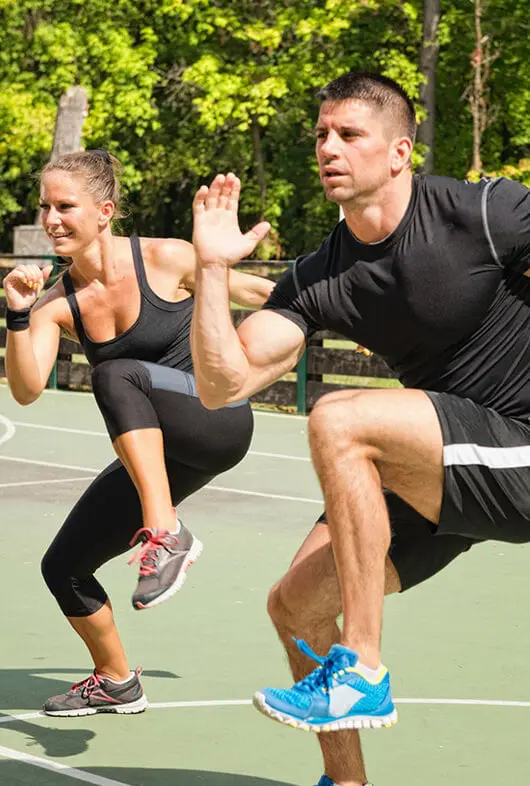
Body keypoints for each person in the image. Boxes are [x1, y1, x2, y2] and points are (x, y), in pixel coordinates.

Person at [189, 70, 530, 786]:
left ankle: (363, 667)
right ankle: (347, 783)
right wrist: (213, 270)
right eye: (320, 135)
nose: (329, 148)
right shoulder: (321, 278)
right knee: (295, 605)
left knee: (341, 417)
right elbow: (224, 382)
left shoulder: (486, 212)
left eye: (349, 134)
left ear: (401, 151)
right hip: (448, 458)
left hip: (520, 445)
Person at [4, 149, 274, 717]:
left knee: (115, 374)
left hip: (218, 419)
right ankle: (116, 679)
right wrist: (19, 315)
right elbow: (26, 389)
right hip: (158, 456)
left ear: (104, 211)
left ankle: (165, 531)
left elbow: (259, 293)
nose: (52, 218)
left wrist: (355, 314)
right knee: (65, 568)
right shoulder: (58, 303)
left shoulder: (164, 257)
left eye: (65, 206)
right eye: (45, 206)